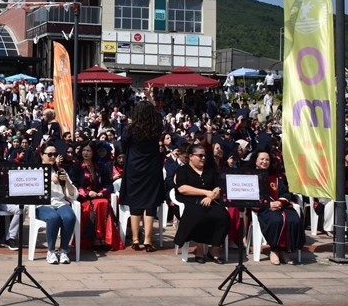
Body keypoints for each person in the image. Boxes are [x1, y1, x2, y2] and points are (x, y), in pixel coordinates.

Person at [118, 100, 165, 252]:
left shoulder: (131, 129)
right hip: (152, 167)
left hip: (134, 167)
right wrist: (151, 100)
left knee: (135, 202)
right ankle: (148, 239)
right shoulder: (156, 127)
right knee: (150, 203)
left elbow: (123, 145)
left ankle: (136, 238)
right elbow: (159, 118)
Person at [174, 144, 229, 264]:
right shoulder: (182, 170)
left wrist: (212, 196)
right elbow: (182, 188)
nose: (203, 158)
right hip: (190, 202)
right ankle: (199, 249)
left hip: (210, 201)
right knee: (199, 215)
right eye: (200, 156)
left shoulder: (210, 170)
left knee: (223, 216)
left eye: (204, 156)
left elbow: (219, 187)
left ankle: (214, 249)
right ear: (191, 156)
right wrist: (206, 193)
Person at [248, 149, 306, 264]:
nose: (265, 162)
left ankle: (285, 250)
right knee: (276, 220)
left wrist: (280, 202)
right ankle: (274, 250)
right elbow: (249, 197)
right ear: (255, 161)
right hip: (263, 209)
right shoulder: (249, 177)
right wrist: (268, 204)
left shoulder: (276, 177)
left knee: (293, 219)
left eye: (267, 159)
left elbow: (285, 192)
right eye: (262, 159)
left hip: (280, 206)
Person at [71, 140, 117, 251]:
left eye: (88, 151)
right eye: (84, 150)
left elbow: (108, 183)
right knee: (98, 204)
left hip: (99, 196)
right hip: (83, 198)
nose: (85, 153)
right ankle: (95, 238)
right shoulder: (76, 167)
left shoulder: (101, 166)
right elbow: (74, 185)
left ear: (93, 153)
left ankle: (104, 238)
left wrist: (102, 191)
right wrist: (87, 192)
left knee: (104, 202)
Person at [37, 142, 78, 264]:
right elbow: (33, 192)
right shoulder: (36, 170)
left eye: (55, 154)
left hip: (59, 203)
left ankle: (64, 250)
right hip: (42, 204)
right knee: (53, 218)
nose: (53, 157)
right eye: (49, 154)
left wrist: (66, 182)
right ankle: (51, 251)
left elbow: (73, 195)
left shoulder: (61, 171)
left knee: (69, 217)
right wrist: (49, 180)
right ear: (42, 155)